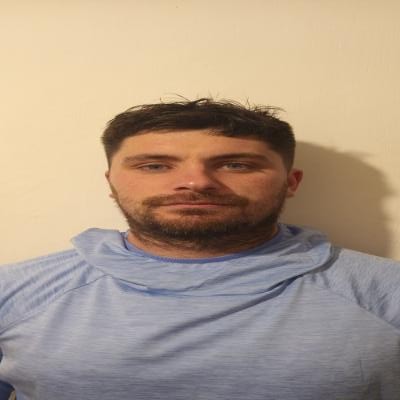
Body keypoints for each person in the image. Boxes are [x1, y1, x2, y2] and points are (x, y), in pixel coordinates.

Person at [0, 98, 399, 400]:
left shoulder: (387, 292)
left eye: (236, 164)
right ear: (111, 182)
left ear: (291, 182)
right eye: (155, 166)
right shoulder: (14, 290)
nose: (196, 182)